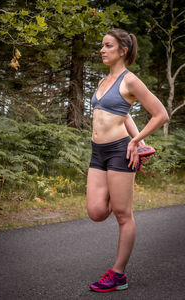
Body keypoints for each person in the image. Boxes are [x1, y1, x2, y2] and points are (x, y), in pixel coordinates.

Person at [87, 28, 169, 293]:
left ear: (123, 50)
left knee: (123, 214)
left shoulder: (130, 79)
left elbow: (161, 114)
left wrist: (135, 141)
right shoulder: (102, 81)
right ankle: (117, 190)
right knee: (96, 212)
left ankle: (118, 274)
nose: (102, 49)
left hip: (120, 151)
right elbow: (122, 113)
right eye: (102, 45)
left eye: (108, 46)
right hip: (97, 152)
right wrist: (138, 137)